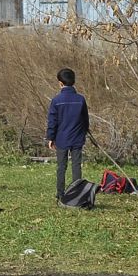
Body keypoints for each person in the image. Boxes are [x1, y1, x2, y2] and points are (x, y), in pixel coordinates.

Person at [46, 67, 90, 203]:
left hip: (61, 139)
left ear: (60, 83)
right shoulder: (80, 99)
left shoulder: (56, 100)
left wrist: (50, 138)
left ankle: (60, 194)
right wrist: (84, 132)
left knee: (61, 166)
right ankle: (77, 194)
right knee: (76, 166)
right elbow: (85, 119)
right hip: (77, 138)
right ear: (74, 82)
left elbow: (52, 121)